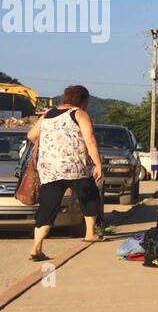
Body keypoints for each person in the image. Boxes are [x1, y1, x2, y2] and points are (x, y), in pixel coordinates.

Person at [26, 84, 104, 261]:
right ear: (84, 100)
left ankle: (36, 248)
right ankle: (90, 233)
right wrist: (98, 163)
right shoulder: (79, 114)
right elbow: (90, 139)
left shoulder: (47, 114)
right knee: (90, 196)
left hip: (49, 169)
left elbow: (31, 135)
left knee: (48, 206)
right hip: (75, 167)